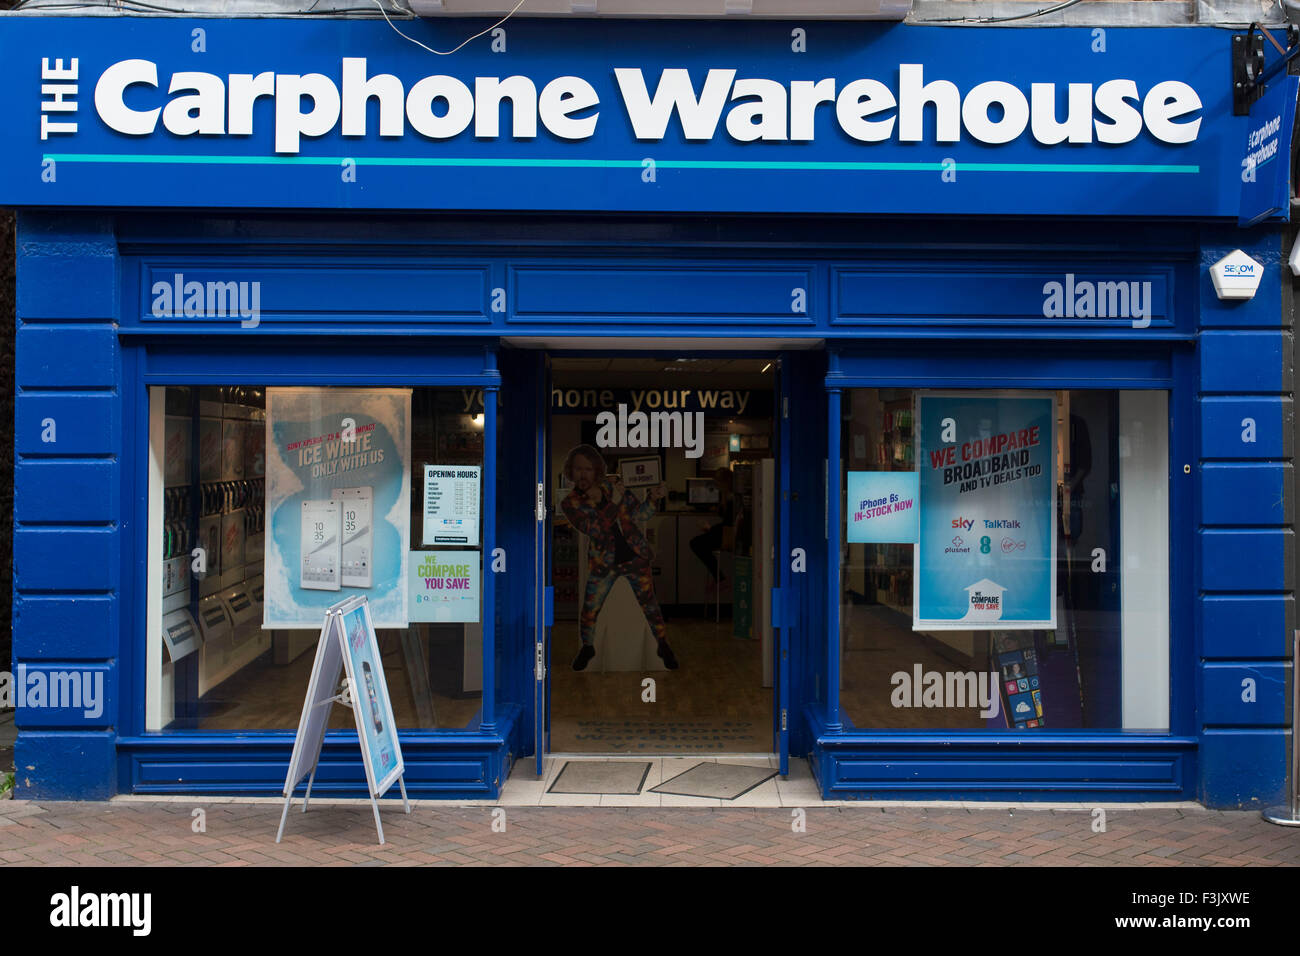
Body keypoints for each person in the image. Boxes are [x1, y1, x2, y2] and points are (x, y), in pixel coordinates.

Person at [560, 444, 678, 672]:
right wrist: (614, 501)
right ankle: (587, 647)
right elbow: (595, 529)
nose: (583, 474)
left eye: (588, 469)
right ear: (570, 471)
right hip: (604, 563)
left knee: (650, 605)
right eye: (578, 469)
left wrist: (653, 499)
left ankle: (663, 645)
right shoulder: (570, 503)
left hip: (635, 557)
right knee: (590, 609)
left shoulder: (613, 487)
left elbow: (639, 515)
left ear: (597, 470)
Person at [689, 466, 737, 582]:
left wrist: (710, 529)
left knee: (696, 544)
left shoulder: (730, 500)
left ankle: (720, 578)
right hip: (726, 533)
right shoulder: (730, 498)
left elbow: (728, 525)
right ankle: (719, 578)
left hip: (726, 536)